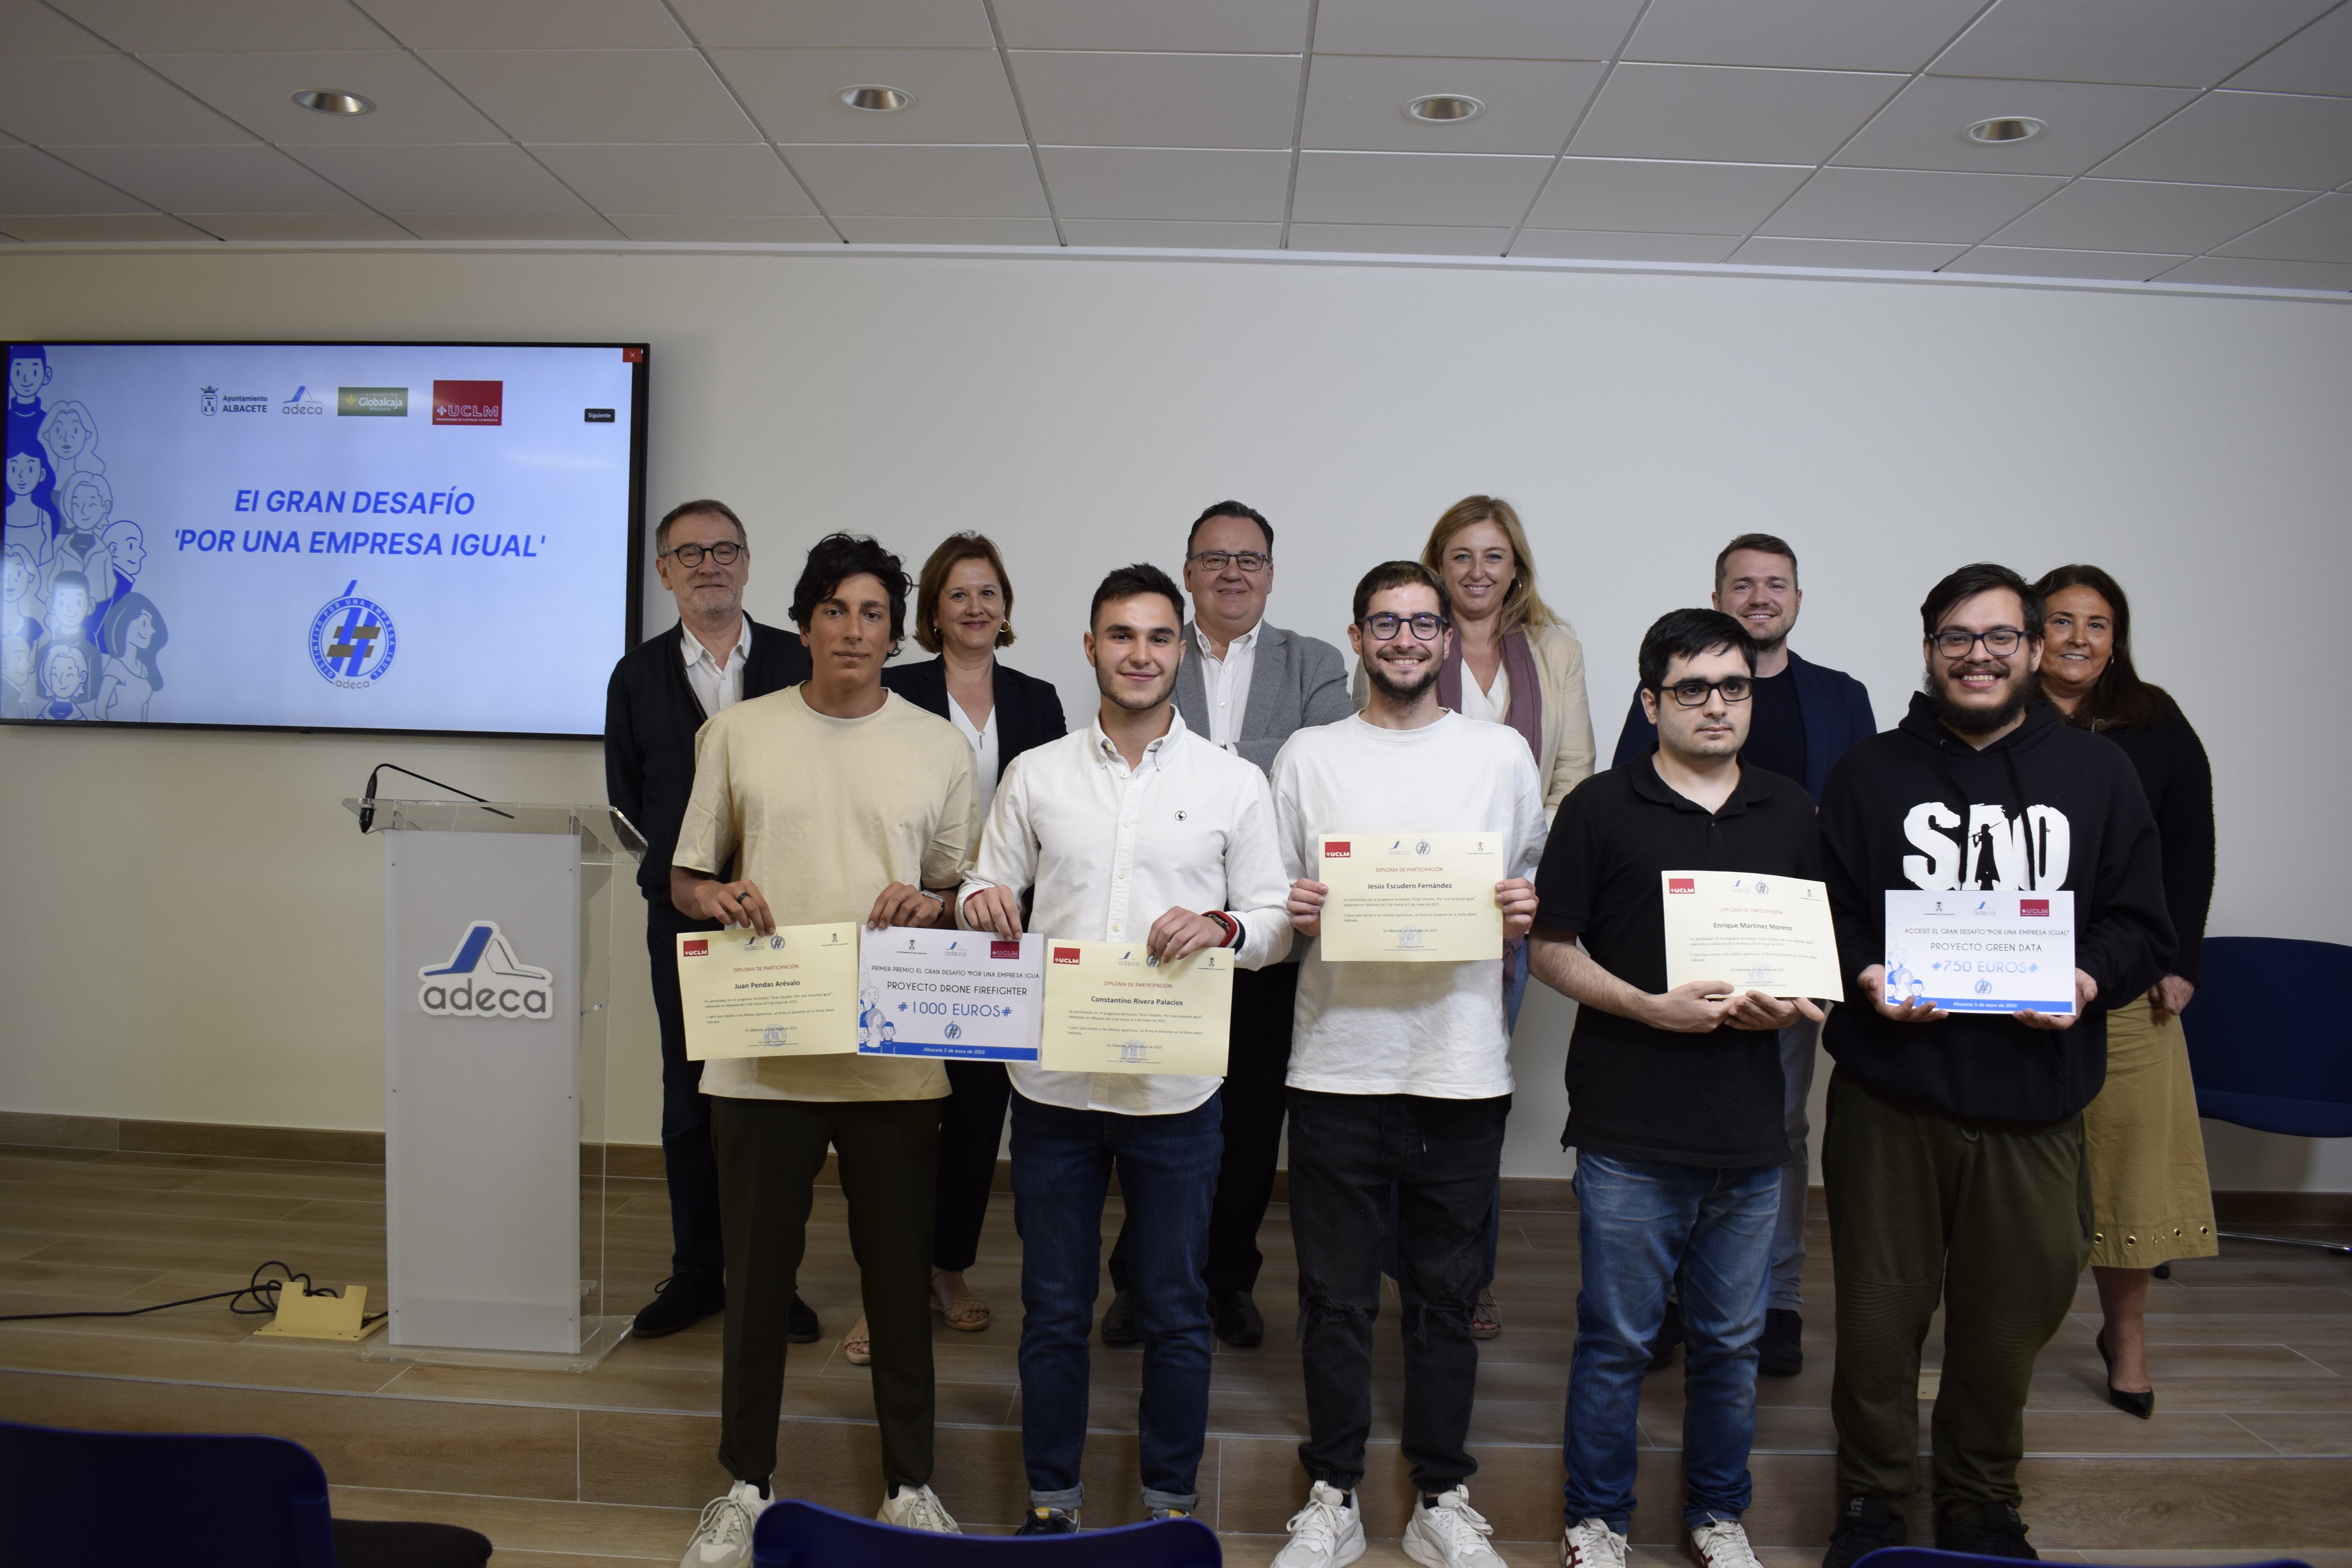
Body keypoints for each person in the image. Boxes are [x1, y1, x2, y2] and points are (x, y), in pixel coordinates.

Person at [1815, 563, 2173, 1566]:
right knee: (1881, 1323)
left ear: (2031, 647)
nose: (1979, 655)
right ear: (1928, 650)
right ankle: (1871, 1500)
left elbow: (2143, 922)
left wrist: (2089, 981)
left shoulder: (2099, 776)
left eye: (2000, 636)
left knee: (2005, 1323)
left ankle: (1980, 1499)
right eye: (1957, 638)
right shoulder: (1868, 773)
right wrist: (1866, 971)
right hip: (1893, 1095)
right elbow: (1826, 910)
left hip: (2036, 1102)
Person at [960, 561, 1292, 1533]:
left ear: (1179, 649)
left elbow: (1274, 921)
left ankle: (1166, 1511)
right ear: (1091, 646)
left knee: (1176, 1310)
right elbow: (991, 885)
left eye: (1157, 637)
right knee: (1055, 1309)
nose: (1139, 654)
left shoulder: (1232, 782)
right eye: (1120, 635)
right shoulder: (1037, 774)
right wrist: (985, 901)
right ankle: (1052, 1506)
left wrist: (1225, 928)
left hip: (1175, 1091)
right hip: (1055, 1085)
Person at [672, 532, 974, 1565]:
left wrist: (930, 904)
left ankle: (911, 1485)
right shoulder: (738, 735)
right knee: (757, 1282)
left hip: (892, 1058)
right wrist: (712, 894)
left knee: (897, 1285)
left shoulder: (939, 745)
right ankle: (747, 1485)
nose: (855, 630)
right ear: (802, 625)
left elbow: (960, 889)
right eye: (836, 611)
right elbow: (687, 876)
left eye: (875, 614)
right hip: (762, 1053)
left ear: (899, 632)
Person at [1532, 608, 1827, 1568]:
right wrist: (1647, 1006)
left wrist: (1787, 1008)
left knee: (1732, 1347)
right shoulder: (1601, 808)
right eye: (1692, 688)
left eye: (1733, 686)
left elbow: (1811, 964)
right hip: (1628, 1126)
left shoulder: (1789, 809)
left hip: (1750, 1132)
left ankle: (1716, 1515)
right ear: (1651, 700)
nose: (1715, 704)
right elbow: (1548, 950)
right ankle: (1597, 1522)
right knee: (1616, 1341)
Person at [1267, 561, 1546, 1568]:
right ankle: (1333, 1490)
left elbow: (1524, 875)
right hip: (1339, 1059)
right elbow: (1278, 889)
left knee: (1444, 1293)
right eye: (1385, 623)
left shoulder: (1500, 753)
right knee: (1334, 1295)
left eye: (1422, 623)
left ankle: (1442, 1492)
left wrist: (1524, 904)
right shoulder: (1307, 755)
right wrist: (1293, 907)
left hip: (1460, 1061)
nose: (1405, 639)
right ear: (1357, 635)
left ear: (1446, 637)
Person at [1610, 534, 1877, 1378]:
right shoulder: (1669, 692)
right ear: (1719, 596)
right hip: (1682, 953)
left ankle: (1776, 1298)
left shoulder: (1841, 697)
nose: (1760, 596)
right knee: (1676, 1126)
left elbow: (1862, 826)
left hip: (1789, 952)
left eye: (1776, 584)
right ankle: (1678, 1301)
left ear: (1798, 597)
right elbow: (1630, 800)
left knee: (1782, 1127)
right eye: (1742, 585)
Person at [1103, 501, 1351, 1352]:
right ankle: (1139, 1280)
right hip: (1158, 928)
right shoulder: (1150, 652)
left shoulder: (1315, 663)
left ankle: (1227, 1277)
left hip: (1263, 924)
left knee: (1247, 1116)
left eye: (1250, 560)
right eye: (1215, 559)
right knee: (1151, 1105)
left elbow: (1319, 779)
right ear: (1188, 571)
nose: (1233, 573)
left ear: (1272, 574)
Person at [1353, 496, 1594, 1338]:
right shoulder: (1400, 643)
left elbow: (1571, 775)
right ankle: (1394, 1267)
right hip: (1399, 905)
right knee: (1393, 1077)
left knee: (1471, 1090)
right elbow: (1370, 768)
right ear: (1438, 564)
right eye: (1460, 556)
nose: (1478, 572)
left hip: (1506, 910)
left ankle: (1466, 1276)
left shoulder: (1556, 651)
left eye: (1494, 556)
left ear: (1516, 566)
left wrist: (1518, 878)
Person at [602, 499, 818, 1345]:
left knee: (778, 1106)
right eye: (688, 553)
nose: (708, 564)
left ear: (748, 561)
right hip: (685, 926)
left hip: (784, 922)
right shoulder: (636, 675)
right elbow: (629, 804)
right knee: (690, 1100)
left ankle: (773, 1278)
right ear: (664, 571)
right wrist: (687, 888)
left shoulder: (797, 662)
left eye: (724, 549)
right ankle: (699, 1271)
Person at [2033, 563, 2217, 1418]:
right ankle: (2003, 1335)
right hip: (2013, 975)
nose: (2077, 638)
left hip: (2130, 978)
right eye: (2061, 620)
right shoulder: (1991, 711)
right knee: (2015, 1166)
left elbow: (2189, 845)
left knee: (2131, 1168)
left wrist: (2179, 959)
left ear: (2118, 638)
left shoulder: (2154, 721)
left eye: (2096, 623)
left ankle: (2126, 1336)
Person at [878, 531, 1066, 1349]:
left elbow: (1057, 818)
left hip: (1005, 931)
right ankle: (885, 1283)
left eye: (989, 592)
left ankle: (947, 1264)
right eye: (959, 593)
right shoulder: (895, 689)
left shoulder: (1039, 697)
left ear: (1006, 607)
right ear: (933, 610)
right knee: (904, 1112)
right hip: (916, 921)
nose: (976, 607)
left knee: (980, 1106)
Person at [94, 591, 166, 722]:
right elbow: (100, 710)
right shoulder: (116, 666)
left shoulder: (143, 668)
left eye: (151, 624)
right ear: (125, 622)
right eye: (145, 623)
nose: (152, 630)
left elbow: (144, 710)